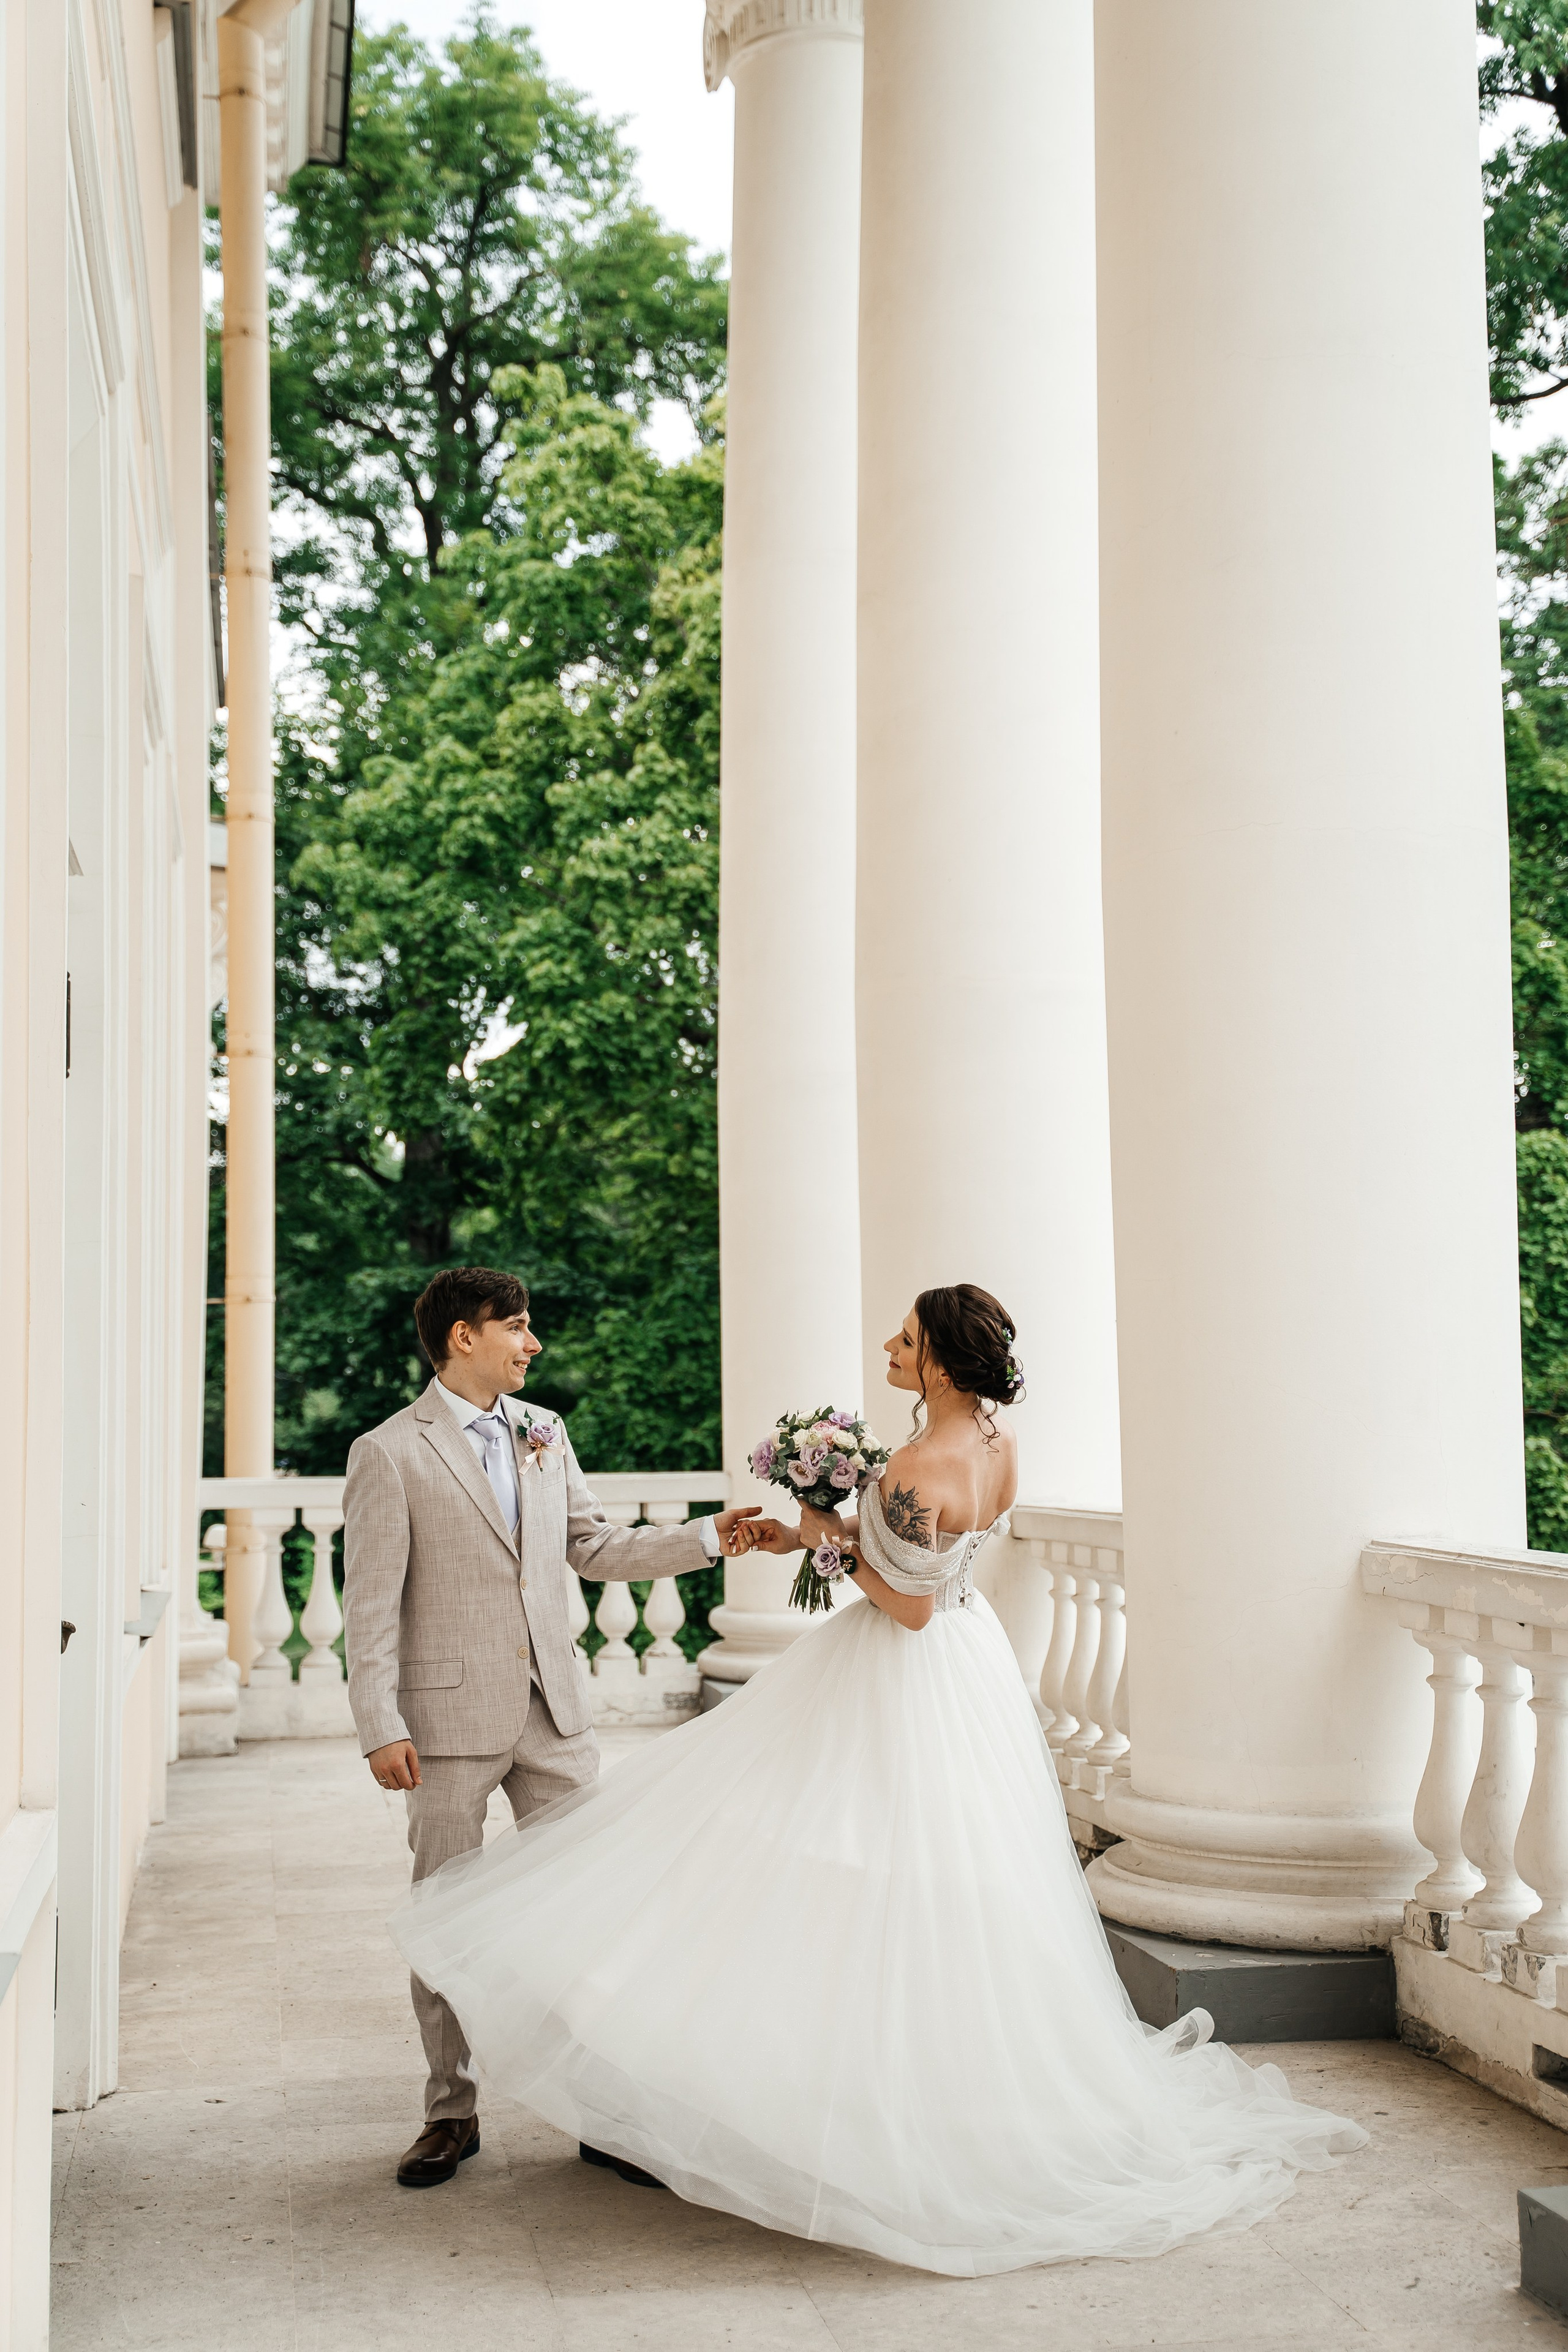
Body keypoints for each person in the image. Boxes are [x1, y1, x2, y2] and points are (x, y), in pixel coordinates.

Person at [389, 1283, 1366, 2274]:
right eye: (515, 1326)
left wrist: (821, 1529)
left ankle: (688, 2105)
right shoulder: (998, 1444)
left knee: (780, 1867)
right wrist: (789, 1535)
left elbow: (902, 1605)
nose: (890, 1348)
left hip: (899, 1668)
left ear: (940, 1357)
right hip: (969, 1667)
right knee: (949, 1882)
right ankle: (462, 2108)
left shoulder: (908, 1463)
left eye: (906, 1339)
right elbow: (941, 1578)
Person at [341, 1265, 760, 2188]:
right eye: (519, 1328)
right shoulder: (389, 1452)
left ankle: (603, 2113)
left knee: (596, 1913)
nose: (534, 1345)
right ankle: (450, 2114)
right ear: (464, 1336)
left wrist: (708, 1538)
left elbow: (596, 1548)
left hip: (555, 1718)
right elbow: (369, 1606)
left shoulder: (545, 1431)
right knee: (444, 1916)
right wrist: (379, 1721)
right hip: (445, 1721)